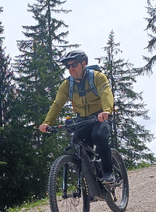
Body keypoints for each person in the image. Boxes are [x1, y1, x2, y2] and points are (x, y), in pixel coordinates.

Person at [39, 50, 115, 183]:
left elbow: (105, 93)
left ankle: (108, 173)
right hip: (83, 120)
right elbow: (57, 104)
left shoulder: (97, 77)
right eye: (68, 66)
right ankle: (90, 183)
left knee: (98, 136)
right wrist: (47, 122)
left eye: (74, 65)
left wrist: (106, 111)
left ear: (84, 64)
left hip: (100, 116)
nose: (71, 69)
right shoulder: (67, 85)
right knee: (77, 141)